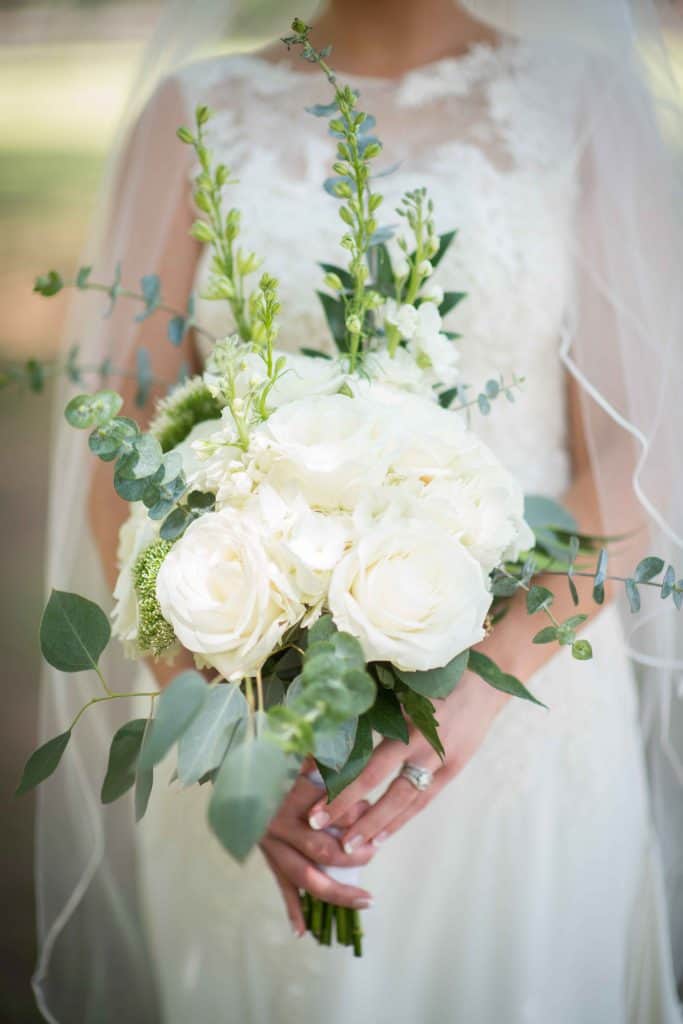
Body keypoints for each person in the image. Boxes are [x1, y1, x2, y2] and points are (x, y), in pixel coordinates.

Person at [35, 1, 683, 1021]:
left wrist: (473, 692)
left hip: (516, 713)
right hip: (253, 724)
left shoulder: (578, 105)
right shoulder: (191, 110)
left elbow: (630, 458)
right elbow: (120, 434)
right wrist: (219, 720)